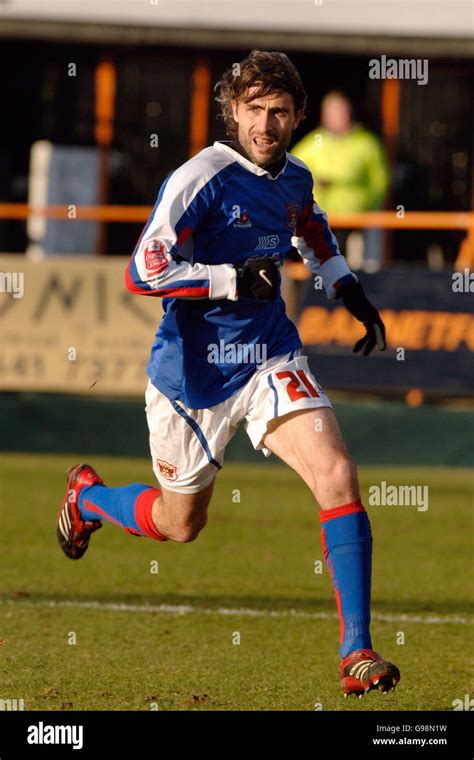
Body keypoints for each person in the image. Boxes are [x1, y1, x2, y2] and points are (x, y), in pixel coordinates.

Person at [56, 50, 399, 698]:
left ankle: (357, 648)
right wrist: (229, 278)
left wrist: (346, 287)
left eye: (279, 112)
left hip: (269, 354)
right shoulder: (202, 177)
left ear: (296, 118)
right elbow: (143, 269)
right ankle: (88, 498)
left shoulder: (295, 177)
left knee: (337, 473)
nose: (266, 124)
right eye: (254, 110)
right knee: (179, 524)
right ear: (233, 111)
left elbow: (310, 227)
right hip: (192, 377)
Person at [291, 90, 389, 269]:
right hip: (322, 224)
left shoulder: (367, 143)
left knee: (356, 272)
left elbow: (380, 181)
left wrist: (368, 207)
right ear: (324, 115)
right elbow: (291, 173)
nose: (339, 117)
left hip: (357, 224)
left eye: (342, 111)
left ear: (350, 112)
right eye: (333, 112)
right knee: (321, 270)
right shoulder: (313, 143)